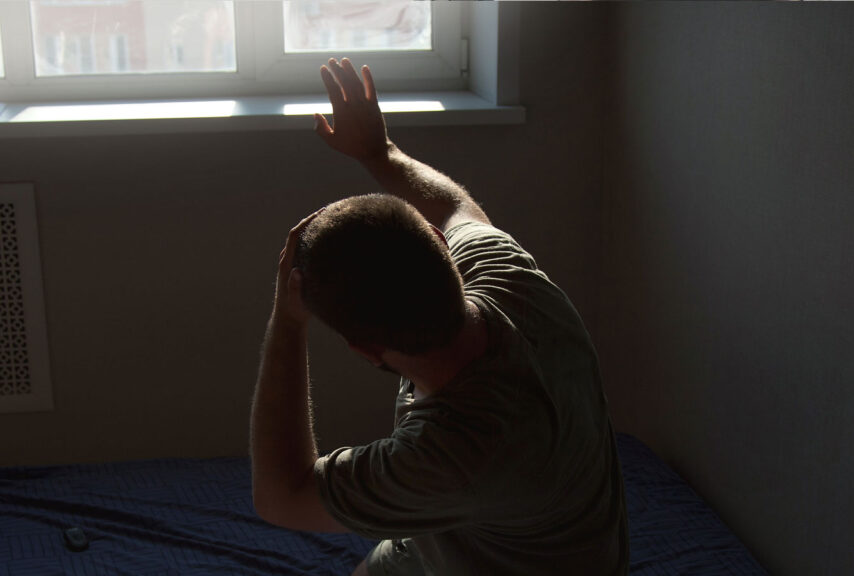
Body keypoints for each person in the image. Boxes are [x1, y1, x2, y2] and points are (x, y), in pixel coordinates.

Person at [250, 58, 629, 576]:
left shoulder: (452, 455)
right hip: (463, 536)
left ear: (365, 350)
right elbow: (455, 208)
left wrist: (288, 320)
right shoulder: (512, 279)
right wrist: (379, 153)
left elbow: (282, 496)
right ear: (441, 247)